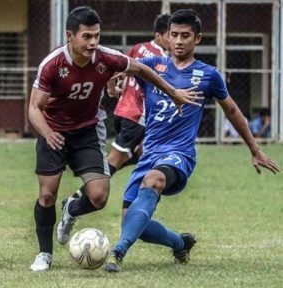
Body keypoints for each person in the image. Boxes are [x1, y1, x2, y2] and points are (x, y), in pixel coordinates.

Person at [104, 9, 280, 273]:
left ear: (197, 38)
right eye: (174, 35)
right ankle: (180, 243)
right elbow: (123, 69)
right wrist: (110, 83)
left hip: (179, 154)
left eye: (185, 35)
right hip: (150, 152)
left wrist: (255, 150)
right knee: (133, 223)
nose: (178, 41)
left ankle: (118, 252)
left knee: (154, 180)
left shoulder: (208, 75)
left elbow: (232, 111)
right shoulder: (153, 66)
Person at [28, 6, 202, 271]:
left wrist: (172, 91)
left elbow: (142, 70)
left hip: (87, 130)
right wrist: (49, 133)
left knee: (98, 197)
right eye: (87, 36)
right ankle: (45, 255)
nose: (93, 42)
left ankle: (72, 210)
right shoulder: (53, 64)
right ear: (70, 36)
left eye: (96, 36)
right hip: (53, 131)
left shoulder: (106, 57)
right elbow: (34, 108)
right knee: (47, 195)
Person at [67, 14, 171, 202]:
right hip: (137, 116)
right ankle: (78, 198)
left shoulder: (138, 48)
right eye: (171, 35)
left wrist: (112, 89)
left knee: (144, 158)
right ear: (159, 36)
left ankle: (140, 206)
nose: (175, 40)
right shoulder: (162, 59)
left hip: (122, 111)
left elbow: (114, 72)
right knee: (115, 160)